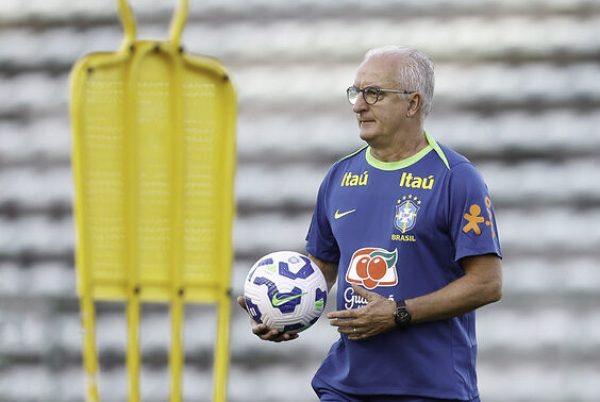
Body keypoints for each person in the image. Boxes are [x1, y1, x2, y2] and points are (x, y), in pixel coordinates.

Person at [239, 46, 502, 402]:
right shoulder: (339, 176)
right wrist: (284, 307)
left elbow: (487, 284)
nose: (358, 105)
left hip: (431, 389)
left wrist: (399, 313)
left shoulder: (456, 178)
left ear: (412, 103)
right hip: (347, 387)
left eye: (373, 93)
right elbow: (322, 268)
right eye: (356, 92)